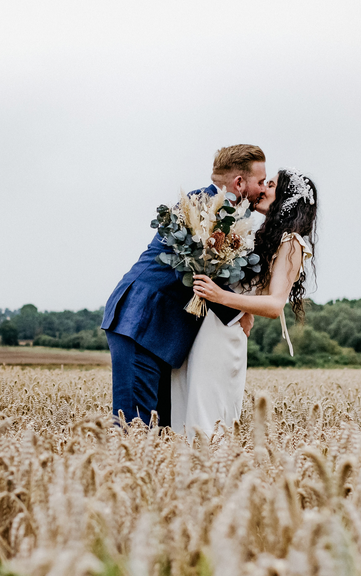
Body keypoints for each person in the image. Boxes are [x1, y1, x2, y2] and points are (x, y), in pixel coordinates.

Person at [102, 145, 266, 427]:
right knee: (133, 428)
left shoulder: (226, 214)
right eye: (260, 182)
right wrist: (242, 313)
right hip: (142, 321)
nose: (263, 189)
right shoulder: (200, 207)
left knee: (162, 430)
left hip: (164, 333)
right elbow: (199, 274)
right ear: (239, 183)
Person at [171, 168, 318, 438]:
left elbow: (275, 305)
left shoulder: (292, 242)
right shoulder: (263, 235)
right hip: (206, 324)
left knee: (208, 418)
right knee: (185, 408)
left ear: (287, 197)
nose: (262, 189)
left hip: (224, 333)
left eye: (270, 185)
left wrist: (222, 297)